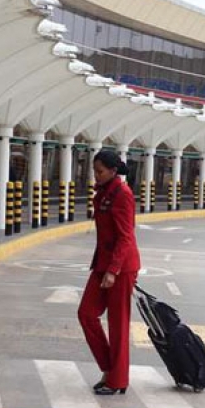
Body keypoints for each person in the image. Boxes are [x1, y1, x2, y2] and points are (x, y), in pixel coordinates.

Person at [77, 150, 140, 395]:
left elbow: (126, 237)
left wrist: (113, 270)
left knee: (118, 325)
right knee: (86, 314)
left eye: (100, 171)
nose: (96, 175)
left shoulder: (122, 194)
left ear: (113, 171)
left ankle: (117, 380)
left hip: (121, 268)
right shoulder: (104, 192)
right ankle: (108, 368)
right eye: (94, 170)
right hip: (103, 265)